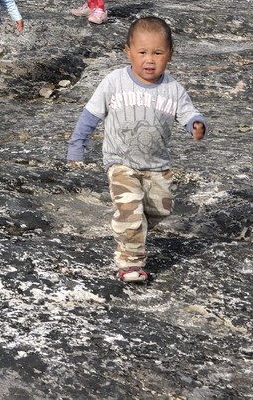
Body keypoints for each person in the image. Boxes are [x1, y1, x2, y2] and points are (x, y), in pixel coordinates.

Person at [66, 16, 207, 283]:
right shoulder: (114, 81)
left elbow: (189, 113)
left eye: (158, 53)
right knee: (130, 210)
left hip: (157, 165)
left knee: (160, 210)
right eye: (142, 53)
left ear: (170, 55)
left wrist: (196, 125)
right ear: (128, 52)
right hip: (120, 162)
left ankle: (129, 231)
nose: (149, 60)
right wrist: (77, 147)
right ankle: (130, 263)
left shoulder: (173, 89)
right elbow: (90, 115)